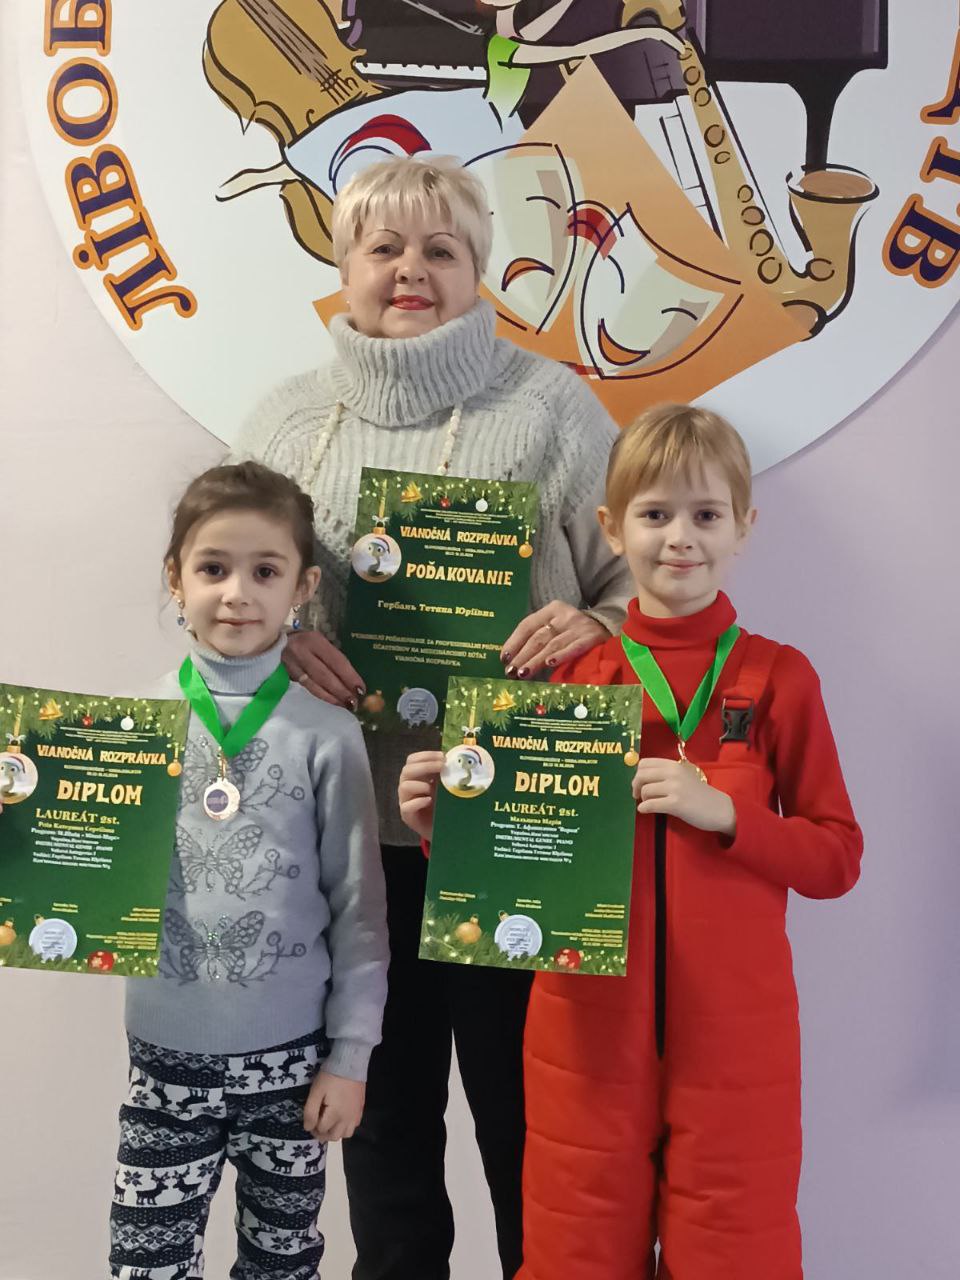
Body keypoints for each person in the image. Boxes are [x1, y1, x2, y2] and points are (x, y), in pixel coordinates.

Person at [237, 155, 633, 1280]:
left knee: (532, 1128)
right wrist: (277, 638)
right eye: (385, 247)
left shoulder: (552, 409)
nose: (411, 270)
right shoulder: (285, 420)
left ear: (477, 269)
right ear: (344, 265)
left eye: (441, 249)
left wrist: (593, 621)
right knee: (384, 1130)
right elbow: (219, 588)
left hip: (518, 829)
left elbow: (638, 586)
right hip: (350, 835)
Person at [400, 404, 863, 1280]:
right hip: (582, 1030)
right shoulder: (572, 679)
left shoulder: (779, 677)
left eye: (706, 514)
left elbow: (836, 857)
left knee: (735, 1257)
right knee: (574, 1256)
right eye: (654, 514)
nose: (680, 538)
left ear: (744, 527)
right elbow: (512, 862)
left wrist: (726, 814)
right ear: (613, 529)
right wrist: (440, 836)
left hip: (737, 1036)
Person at [107, 462, 388, 1280]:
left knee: (281, 1265)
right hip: (164, 1063)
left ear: (302, 588)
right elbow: (84, 876)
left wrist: (350, 1057)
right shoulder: (130, 730)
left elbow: (359, 911)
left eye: (265, 572)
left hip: (293, 1067)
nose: (237, 594)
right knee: (146, 1264)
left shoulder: (329, 736)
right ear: (176, 578)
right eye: (213, 568)